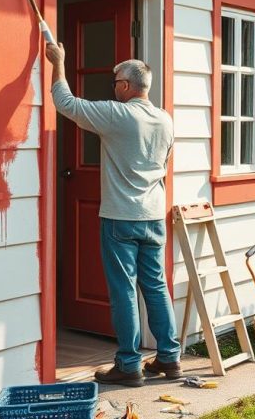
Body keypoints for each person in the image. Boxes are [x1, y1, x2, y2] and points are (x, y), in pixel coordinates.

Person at [45, 41, 180, 387]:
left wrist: (58, 62)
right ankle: (169, 358)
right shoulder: (165, 120)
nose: (113, 86)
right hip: (152, 215)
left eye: (115, 81)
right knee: (155, 287)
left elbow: (65, 103)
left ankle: (129, 365)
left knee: (123, 291)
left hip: (121, 217)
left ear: (126, 86)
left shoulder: (118, 115)